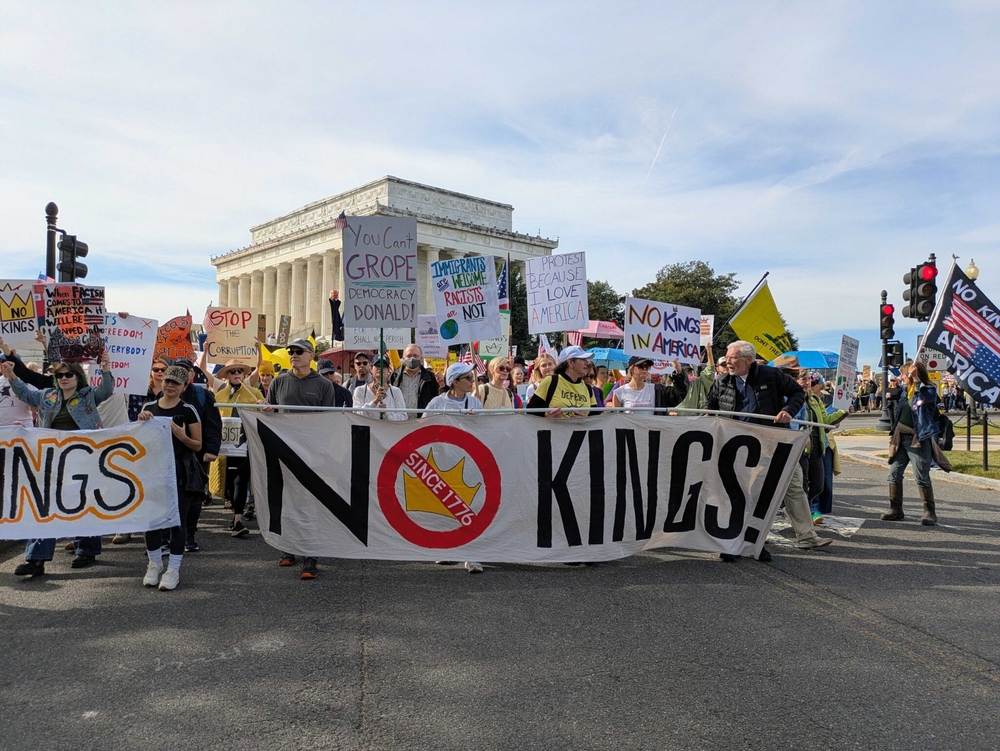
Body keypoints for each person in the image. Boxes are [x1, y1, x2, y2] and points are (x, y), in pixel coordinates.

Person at [705, 340, 832, 560]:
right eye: (726, 357)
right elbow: (711, 405)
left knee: (793, 487)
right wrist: (709, 416)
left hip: (775, 441)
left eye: (732, 357)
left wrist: (788, 411)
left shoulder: (770, 376)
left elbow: (796, 393)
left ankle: (806, 536)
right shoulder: (722, 382)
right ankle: (739, 542)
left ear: (747, 359)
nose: (728, 361)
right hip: (740, 446)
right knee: (746, 493)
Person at [4, 353, 114, 575]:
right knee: (45, 504)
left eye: (69, 374)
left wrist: (106, 368)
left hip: (83, 457)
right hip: (51, 458)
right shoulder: (46, 395)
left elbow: (107, 390)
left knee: (82, 501)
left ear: (78, 376)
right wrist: (11, 375)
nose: (64, 378)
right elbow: (25, 393)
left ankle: (87, 549)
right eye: (60, 374)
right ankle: (36, 559)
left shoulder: (88, 395)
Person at [264, 338, 339, 579]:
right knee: (288, 501)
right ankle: (290, 548)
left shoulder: (324, 385)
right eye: (291, 352)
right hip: (285, 452)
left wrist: (322, 452)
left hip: (313, 453)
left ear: (311, 356)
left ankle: (311, 555)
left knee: (310, 504)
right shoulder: (278, 381)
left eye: (298, 351)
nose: (293, 355)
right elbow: (271, 413)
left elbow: (329, 422)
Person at [135, 365, 203, 591]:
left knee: (177, 520)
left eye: (176, 383)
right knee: (152, 519)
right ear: (161, 383)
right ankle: (154, 564)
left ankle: (173, 568)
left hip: (179, 470)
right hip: (153, 469)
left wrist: (182, 436)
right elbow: (139, 441)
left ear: (184, 386)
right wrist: (141, 421)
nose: (171, 386)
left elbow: (198, 445)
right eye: (168, 381)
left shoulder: (188, 410)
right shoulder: (149, 407)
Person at [425, 362, 485, 573]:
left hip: (469, 462)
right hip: (444, 461)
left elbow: (485, 430)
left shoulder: (476, 403)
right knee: (447, 507)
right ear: (455, 382)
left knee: (471, 507)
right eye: (468, 378)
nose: (472, 381)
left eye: (472, 377)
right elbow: (424, 429)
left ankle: (473, 554)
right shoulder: (436, 403)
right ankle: (447, 549)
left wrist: (474, 422)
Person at [170, 359, 222, 553]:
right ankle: (169, 537)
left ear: (191, 376)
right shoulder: (162, 395)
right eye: (175, 372)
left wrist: (212, 450)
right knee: (170, 496)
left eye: (185, 372)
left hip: (197, 455)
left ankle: (188, 535)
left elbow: (213, 424)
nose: (179, 376)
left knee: (194, 495)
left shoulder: (203, 395)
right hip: (170, 455)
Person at [882, 360, 942, 525]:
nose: (901, 377)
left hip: (918, 439)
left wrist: (916, 380)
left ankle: (929, 512)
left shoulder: (927, 389)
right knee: (894, 473)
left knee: (921, 477)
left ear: (912, 374)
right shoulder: (905, 391)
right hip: (901, 437)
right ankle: (895, 509)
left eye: (903, 374)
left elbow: (922, 401)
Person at [213, 359, 264, 538]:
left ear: (244, 375)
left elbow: (265, 416)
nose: (236, 374)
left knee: (241, 481)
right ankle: (235, 515)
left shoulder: (254, 393)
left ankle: (238, 519)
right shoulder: (219, 395)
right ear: (227, 375)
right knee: (228, 483)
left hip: (245, 445)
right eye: (232, 372)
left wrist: (261, 407)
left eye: (239, 371)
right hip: (224, 448)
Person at [796, 372, 846, 524]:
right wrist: (801, 435)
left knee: (818, 485)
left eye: (808, 380)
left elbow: (824, 422)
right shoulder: (792, 398)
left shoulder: (815, 399)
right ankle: (806, 514)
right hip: (801, 450)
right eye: (803, 379)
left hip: (817, 448)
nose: (806, 383)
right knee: (802, 486)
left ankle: (796, 508)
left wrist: (844, 411)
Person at [526, 346, 599, 419]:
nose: (587, 362)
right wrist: (546, 415)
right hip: (554, 429)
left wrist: (585, 419)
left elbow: (596, 418)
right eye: (582, 359)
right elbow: (530, 411)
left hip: (580, 430)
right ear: (570, 362)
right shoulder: (550, 381)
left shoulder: (588, 388)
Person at [612, 357, 688, 413]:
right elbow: (616, 419)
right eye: (641, 366)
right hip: (631, 433)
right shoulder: (619, 392)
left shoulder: (657, 389)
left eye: (647, 367)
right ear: (631, 369)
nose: (644, 369)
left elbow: (678, 395)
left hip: (652, 433)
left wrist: (678, 371)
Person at [388, 344, 439, 417]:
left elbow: (436, 398)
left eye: (415, 356)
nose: (412, 358)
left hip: (422, 421)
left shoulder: (430, 378)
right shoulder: (394, 376)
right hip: (399, 421)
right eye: (409, 356)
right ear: (403, 358)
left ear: (420, 358)